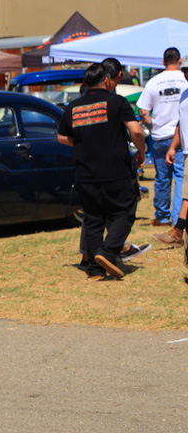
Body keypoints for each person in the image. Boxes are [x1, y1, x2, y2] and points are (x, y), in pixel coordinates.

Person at [58, 63, 146, 279]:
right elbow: (135, 129)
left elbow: (61, 137)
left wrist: (84, 143)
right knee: (125, 212)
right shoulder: (117, 102)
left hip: (86, 171)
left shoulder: (74, 106)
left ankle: (95, 270)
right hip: (115, 169)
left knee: (94, 218)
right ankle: (107, 252)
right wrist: (141, 151)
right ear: (106, 81)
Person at [136, 47, 187, 227]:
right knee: (181, 177)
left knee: (162, 178)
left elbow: (143, 111)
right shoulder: (185, 79)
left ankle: (162, 216)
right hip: (182, 136)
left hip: (160, 136)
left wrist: (152, 125)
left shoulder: (154, 82)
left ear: (163, 62)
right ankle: (178, 217)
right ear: (180, 61)